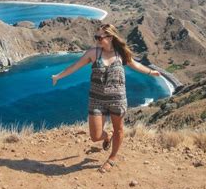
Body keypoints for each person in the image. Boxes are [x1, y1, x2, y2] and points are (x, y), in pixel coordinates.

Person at [51, 23, 161, 173]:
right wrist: (58, 76)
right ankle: (106, 136)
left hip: (117, 99)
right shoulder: (93, 53)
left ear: (110, 37)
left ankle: (112, 158)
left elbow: (136, 65)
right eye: (95, 37)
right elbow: (75, 66)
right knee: (95, 136)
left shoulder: (121, 53)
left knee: (119, 130)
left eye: (99, 37)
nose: (97, 40)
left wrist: (151, 72)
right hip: (96, 99)